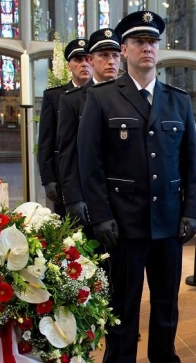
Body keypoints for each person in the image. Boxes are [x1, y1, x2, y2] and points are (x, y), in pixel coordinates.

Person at [77, 10, 196, 363]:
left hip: (167, 221)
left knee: (167, 301)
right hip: (123, 224)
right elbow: (89, 164)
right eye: (138, 42)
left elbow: (189, 163)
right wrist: (101, 216)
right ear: (125, 50)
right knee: (123, 302)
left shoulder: (177, 101)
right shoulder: (101, 98)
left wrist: (191, 210)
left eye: (153, 42)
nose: (147, 48)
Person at [58, 29, 122, 226]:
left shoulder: (131, 97)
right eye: (103, 55)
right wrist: (73, 198)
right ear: (91, 59)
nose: (111, 61)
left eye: (115, 55)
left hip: (123, 196)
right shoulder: (73, 100)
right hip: (88, 194)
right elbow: (67, 153)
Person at [37, 38, 92, 217]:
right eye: (78, 60)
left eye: (87, 59)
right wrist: (48, 180)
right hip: (65, 179)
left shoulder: (105, 94)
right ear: (69, 66)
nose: (84, 64)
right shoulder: (55, 96)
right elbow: (46, 141)